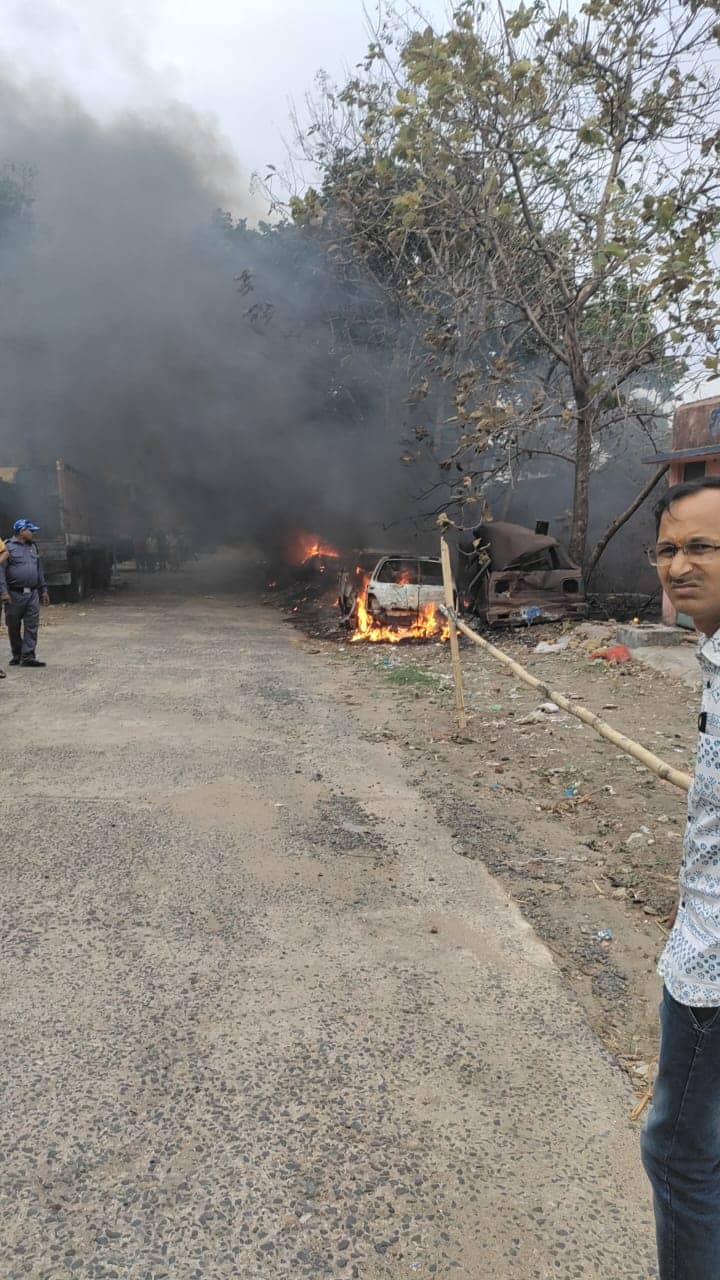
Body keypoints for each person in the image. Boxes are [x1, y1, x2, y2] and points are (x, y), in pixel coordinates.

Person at [641, 475, 720, 1278]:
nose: (678, 565)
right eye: (668, 548)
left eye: (701, 546)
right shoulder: (714, 661)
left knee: (677, 1155)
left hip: (711, 971)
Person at [0, 519, 50, 668]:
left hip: (33, 593)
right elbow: (1, 572)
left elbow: (39, 570)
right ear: (22, 531)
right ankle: (17, 654)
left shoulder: (33, 547)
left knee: (32, 625)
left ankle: (28, 656)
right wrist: (3, 592)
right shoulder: (8, 547)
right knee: (13, 626)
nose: (33, 533)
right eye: (31, 531)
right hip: (14, 594)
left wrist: (44, 590)